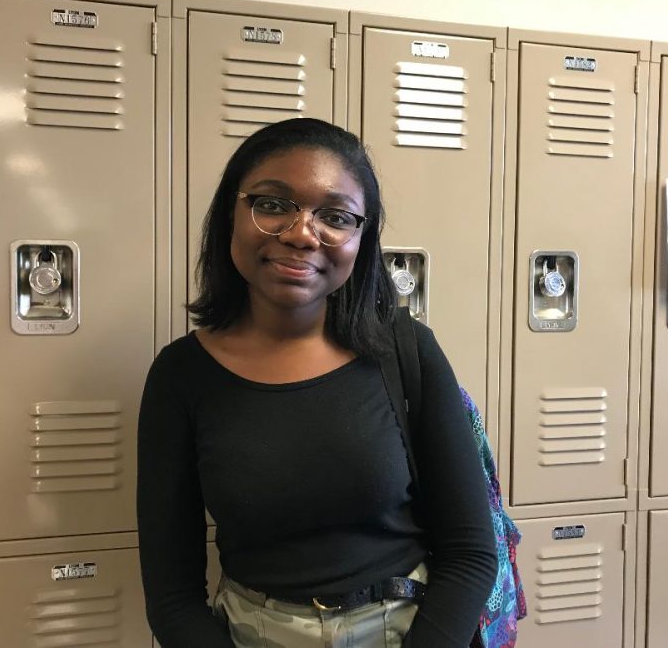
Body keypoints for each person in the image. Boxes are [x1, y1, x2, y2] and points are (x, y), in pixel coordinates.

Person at [137, 117, 497, 647]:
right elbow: (172, 596)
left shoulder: (406, 350)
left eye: (335, 216)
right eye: (273, 204)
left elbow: (471, 552)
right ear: (231, 214)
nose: (303, 234)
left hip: (409, 630)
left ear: (360, 239)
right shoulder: (180, 376)